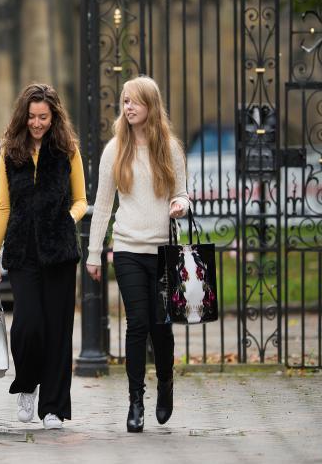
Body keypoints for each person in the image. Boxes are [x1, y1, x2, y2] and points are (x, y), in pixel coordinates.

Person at [86, 75, 189, 433]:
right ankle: (135, 402)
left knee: (161, 327)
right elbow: (101, 205)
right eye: (124, 101)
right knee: (138, 323)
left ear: (151, 105)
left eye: (134, 101)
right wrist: (94, 253)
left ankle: (165, 385)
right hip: (128, 247)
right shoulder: (115, 149)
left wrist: (179, 204)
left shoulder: (170, 148)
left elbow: (184, 194)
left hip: (163, 251)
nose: (127, 107)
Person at [0, 83, 87, 430]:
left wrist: (67, 219)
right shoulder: (10, 152)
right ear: (22, 116)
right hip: (22, 251)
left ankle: (54, 408)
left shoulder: (67, 150)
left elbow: (81, 200)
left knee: (58, 330)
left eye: (43, 117)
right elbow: (3, 206)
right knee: (28, 327)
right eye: (31, 117)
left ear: (54, 116)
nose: (37, 123)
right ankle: (27, 384)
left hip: (60, 251)